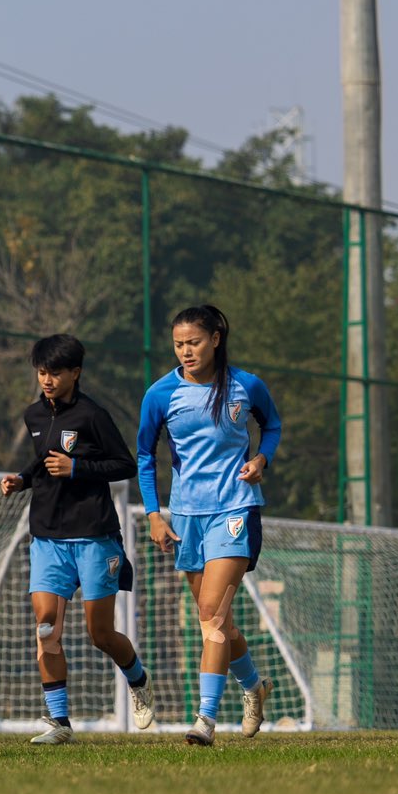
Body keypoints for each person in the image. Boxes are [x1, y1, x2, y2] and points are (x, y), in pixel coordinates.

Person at [0, 334, 155, 743]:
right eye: (41, 372)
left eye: (54, 372)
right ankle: (60, 723)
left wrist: (78, 468)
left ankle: (138, 680)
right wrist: (21, 479)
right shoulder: (34, 415)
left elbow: (124, 464)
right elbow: (41, 462)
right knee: (46, 627)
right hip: (47, 537)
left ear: (75, 373)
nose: (47, 379)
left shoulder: (92, 416)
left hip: (94, 537)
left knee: (99, 633)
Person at [137, 305, 282, 746]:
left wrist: (261, 459)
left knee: (212, 617)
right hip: (186, 518)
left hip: (236, 510)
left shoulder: (246, 385)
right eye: (179, 344)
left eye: (194, 343)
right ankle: (254, 688)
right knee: (215, 622)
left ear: (216, 339)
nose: (186, 351)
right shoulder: (160, 394)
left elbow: (272, 425)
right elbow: (145, 457)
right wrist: (154, 514)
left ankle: (205, 719)